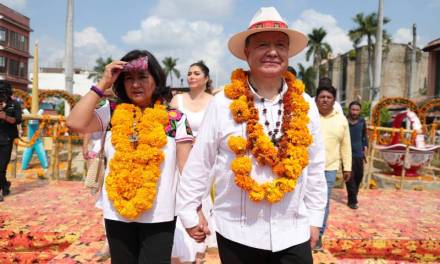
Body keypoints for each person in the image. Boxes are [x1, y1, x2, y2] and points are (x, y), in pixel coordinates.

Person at [177, 7, 327, 264]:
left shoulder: (306, 103)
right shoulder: (223, 103)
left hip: (292, 230)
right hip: (237, 232)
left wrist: (315, 218)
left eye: (280, 44)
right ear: (247, 52)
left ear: (288, 53)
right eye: (262, 45)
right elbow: (201, 160)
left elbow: (314, 166)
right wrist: (189, 211)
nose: (272, 51)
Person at [67, 49, 194, 264]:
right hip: (117, 213)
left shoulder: (174, 119)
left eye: (143, 77)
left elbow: (187, 170)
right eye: (129, 79)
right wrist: (103, 83)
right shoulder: (112, 111)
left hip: (159, 216)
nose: (136, 85)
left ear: (156, 79)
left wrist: (194, 210)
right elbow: (75, 123)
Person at [170, 61, 215, 264]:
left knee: (201, 199)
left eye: (197, 73)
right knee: (180, 197)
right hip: (180, 158)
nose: (191, 76)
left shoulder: (214, 102)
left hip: (206, 160)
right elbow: (170, 130)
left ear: (206, 78)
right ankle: (181, 250)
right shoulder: (177, 100)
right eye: (189, 73)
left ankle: (199, 248)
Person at [315, 83, 352, 250]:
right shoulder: (308, 115)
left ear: (334, 100)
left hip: (329, 168)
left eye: (328, 97)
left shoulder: (341, 119)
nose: (325, 100)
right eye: (322, 97)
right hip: (306, 168)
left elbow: (346, 145)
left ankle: (318, 237)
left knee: (323, 203)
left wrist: (347, 167)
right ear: (316, 99)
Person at [0, 80, 22, 202]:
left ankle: (3, 187)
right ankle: (4, 185)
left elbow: (18, 120)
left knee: (2, 167)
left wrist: (5, 117)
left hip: (7, 139)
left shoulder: (15, 104)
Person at [346, 101, 368, 209]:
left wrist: (365, 145)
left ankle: (353, 194)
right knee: (349, 177)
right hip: (347, 154)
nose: (354, 112)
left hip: (359, 153)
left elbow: (364, 135)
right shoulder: (344, 121)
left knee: (359, 176)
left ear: (360, 111)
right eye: (353, 109)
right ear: (349, 110)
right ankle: (352, 201)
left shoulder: (362, 121)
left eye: (357, 110)